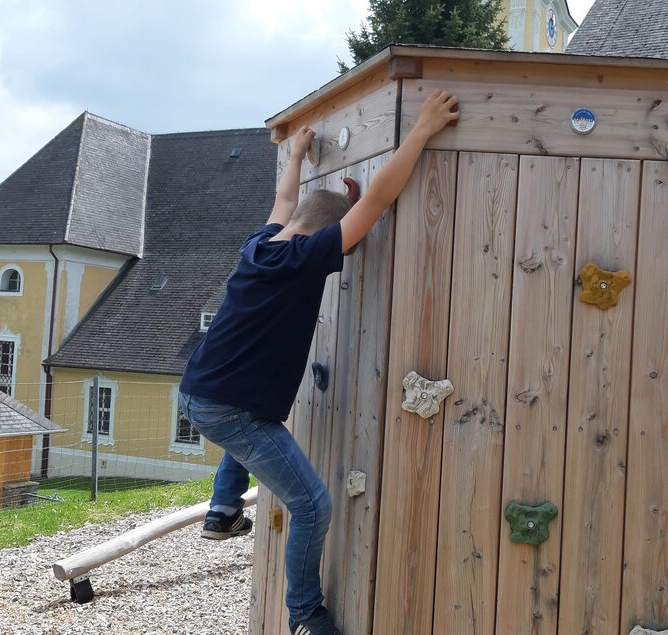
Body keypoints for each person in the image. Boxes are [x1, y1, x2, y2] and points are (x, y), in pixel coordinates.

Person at [178, 90, 459, 634]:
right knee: (311, 505)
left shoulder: (258, 245)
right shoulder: (307, 259)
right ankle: (306, 614)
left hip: (199, 390)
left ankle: (222, 509)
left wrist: (297, 155)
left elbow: (285, 203)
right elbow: (376, 201)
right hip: (230, 407)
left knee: (256, 426)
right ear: (332, 240)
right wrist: (421, 131)